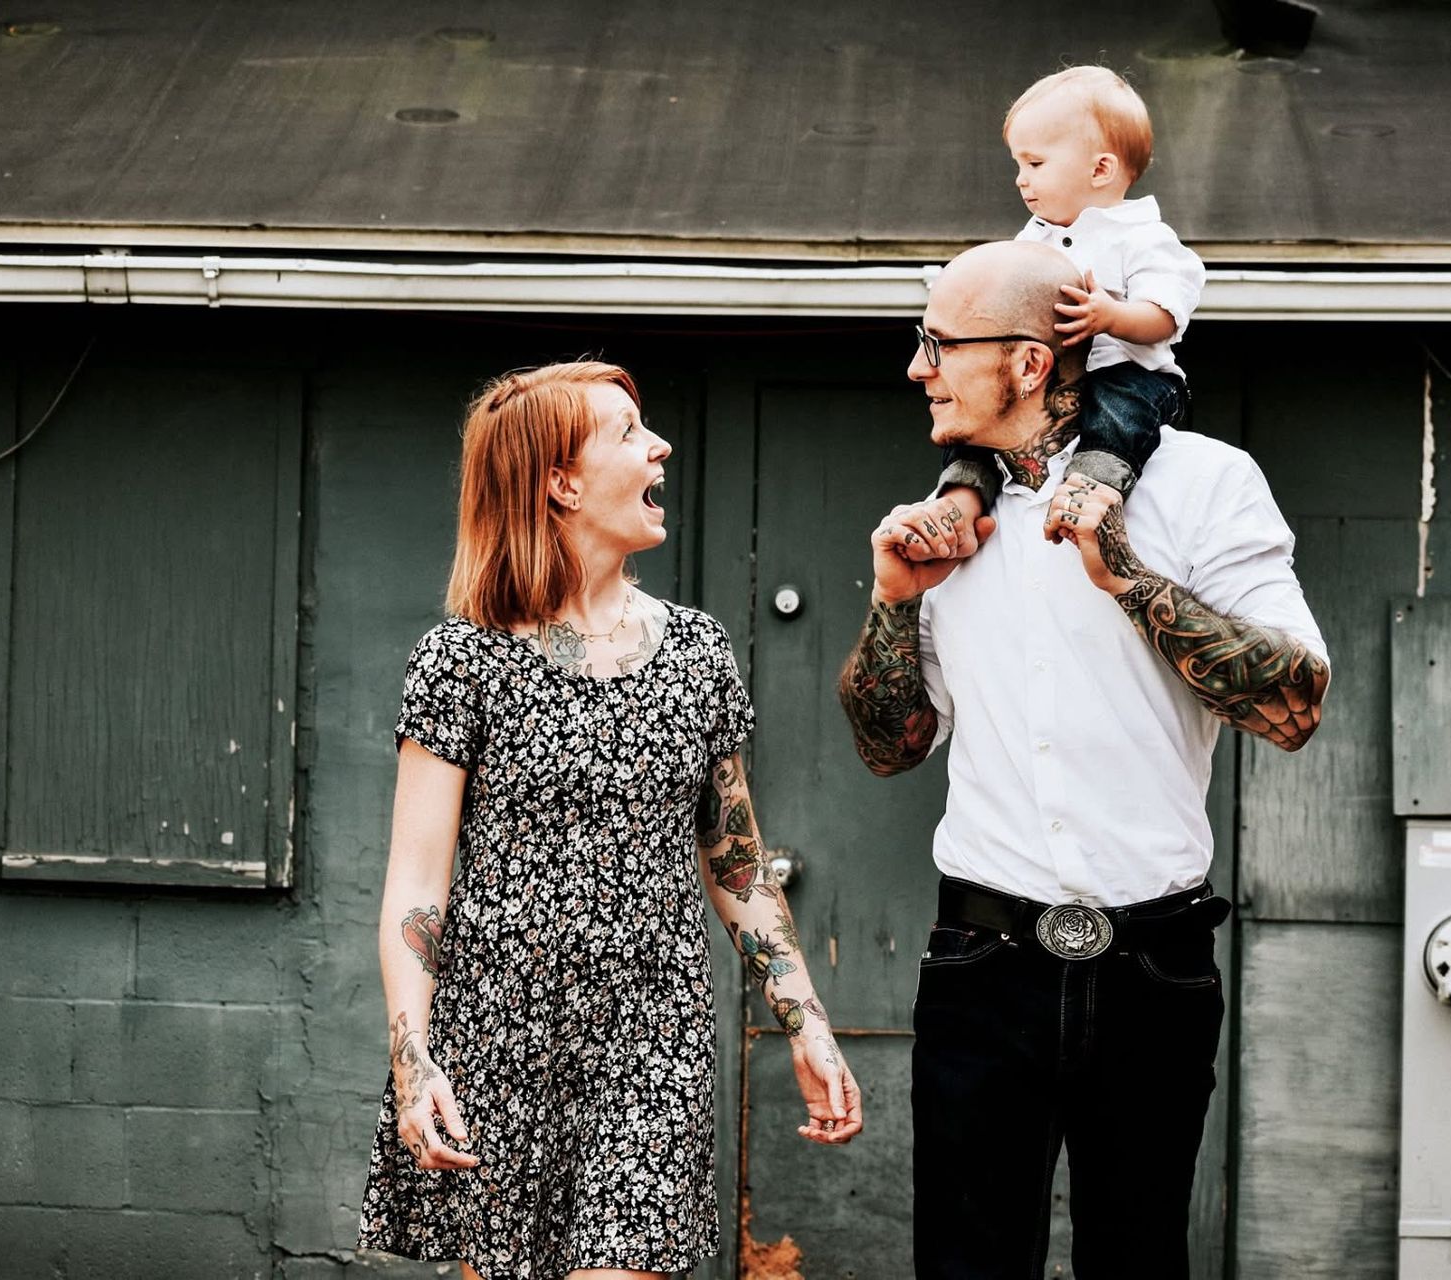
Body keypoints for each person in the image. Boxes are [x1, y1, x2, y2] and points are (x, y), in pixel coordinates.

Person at [838, 242, 1328, 1278]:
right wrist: (892, 597)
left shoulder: (1204, 485)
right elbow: (892, 744)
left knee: (1139, 1258)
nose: (916, 368)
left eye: (935, 344)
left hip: (1155, 964)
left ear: (1025, 361)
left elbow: (1292, 704)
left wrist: (1129, 578)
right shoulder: (945, 523)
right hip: (982, 962)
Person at [359, 362, 862, 1280]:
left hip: (653, 1037)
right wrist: (413, 1060)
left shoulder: (698, 653)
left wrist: (808, 1023)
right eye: (629, 433)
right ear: (561, 482)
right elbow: (416, 887)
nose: (660, 446)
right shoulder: (460, 660)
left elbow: (736, 864)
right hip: (497, 1037)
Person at [934, 64, 1206, 521]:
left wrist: (1110, 316)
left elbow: (1165, 317)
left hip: (1129, 372)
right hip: (1048, 381)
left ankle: (1093, 486)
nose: (1021, 179)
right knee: (985, 408)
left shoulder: (1143, 237)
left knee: (1118, 408)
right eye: (1018, 165)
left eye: (1035, 164)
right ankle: (963, 493)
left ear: (1100, 168)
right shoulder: (1030, 239)